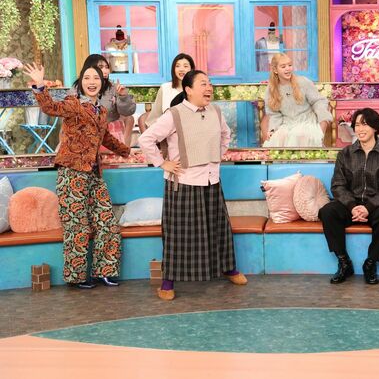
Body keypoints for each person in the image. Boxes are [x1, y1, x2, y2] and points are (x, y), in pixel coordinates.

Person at [139, 70, 246, 301]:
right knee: (179, 236)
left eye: (210, 83)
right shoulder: (174, 114)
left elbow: (226, 135)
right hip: (184, 184)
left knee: (219, 229)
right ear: (188, 89)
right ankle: (167, 282)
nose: (209, 88)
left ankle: (228, 268)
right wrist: (162, 163)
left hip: (211, 180)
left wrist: (216, 156)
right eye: (203, 84)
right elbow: (145, 139)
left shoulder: (216, 111)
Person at [24, 62, 131, 289]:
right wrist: (40, 86)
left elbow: (104, 137)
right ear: (80, 83)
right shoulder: (73, 104)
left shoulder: (102, 111)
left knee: (107, 222)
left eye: (96, 78)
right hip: (71, 172)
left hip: (94, 174)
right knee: (77, 226)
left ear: (102, 83)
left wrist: (127, 151)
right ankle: (77, 276)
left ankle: (105, 270)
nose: (92, 82)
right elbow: (50, 108)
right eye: (87, 78)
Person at [319, 107, 379, 285]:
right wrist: (352, 206)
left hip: (376, 206)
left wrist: (368, 207)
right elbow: (338, 185)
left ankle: (370, 263)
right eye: (357, 125)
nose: (360, 129)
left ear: (375, 127)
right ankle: (344, 262)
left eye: (365, 124)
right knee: (327, 212)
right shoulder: (345, 154)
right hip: (350, 205)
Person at [262, 52, 332, 147]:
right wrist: (273, 129)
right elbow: (274, 114)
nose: (288, 68)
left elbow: (318, 101)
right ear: (275, 70)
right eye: (283, 66)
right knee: (278, 138)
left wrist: (323, 123)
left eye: (290, 65)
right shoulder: (271, 89)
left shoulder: (303, 82)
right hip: (287, 124)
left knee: (298, 135)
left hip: (307, 122)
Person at [81, 54, 136, 147]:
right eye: (101, 67)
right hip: (85, 135)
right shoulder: (78, 89)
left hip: (110, 134)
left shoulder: (113, 88)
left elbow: (128, 112)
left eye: (107, 67)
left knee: (129, 119)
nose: (105, 70)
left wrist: (123, 96)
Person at [143, 53, 195, 130]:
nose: (181, 69)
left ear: (192, 69)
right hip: (167, 132)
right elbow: (153, 119)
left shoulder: (197, 89)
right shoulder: (165, 88)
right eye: (177, 66)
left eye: (185, 66)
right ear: (173, 69)